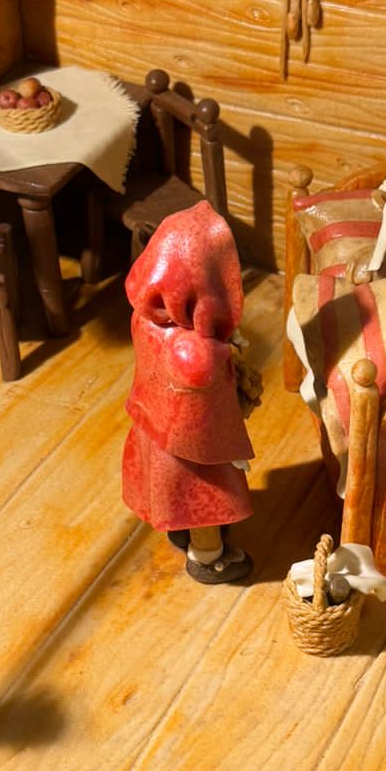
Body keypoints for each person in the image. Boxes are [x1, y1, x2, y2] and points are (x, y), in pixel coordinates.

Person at [121, 202, 256, 585]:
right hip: (194, 449)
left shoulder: (146, 316)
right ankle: (208, 556)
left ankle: (181, 528)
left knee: (172, 493)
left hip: (153, 423)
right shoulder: (194, 352)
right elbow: (207, 397)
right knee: (204, 499)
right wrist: (227, 356)